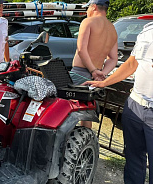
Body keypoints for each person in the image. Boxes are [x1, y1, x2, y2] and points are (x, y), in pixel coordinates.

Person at [84, 22, 153, 184]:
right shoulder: (147, 30)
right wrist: (104, 82)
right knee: (133, 160)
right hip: (135, 106)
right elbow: (131, 64)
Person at [70, 0, 118, 128]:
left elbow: (81, 50)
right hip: (96, 79)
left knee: (68, 111)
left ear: (94, 7)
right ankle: (84, 143)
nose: (86, 12)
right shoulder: (112, 29)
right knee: (87, 111)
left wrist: (92, 71)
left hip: (80, 74)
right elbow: (113, 58)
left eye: (88, 8)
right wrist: (101, 74)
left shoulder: (88, 22)